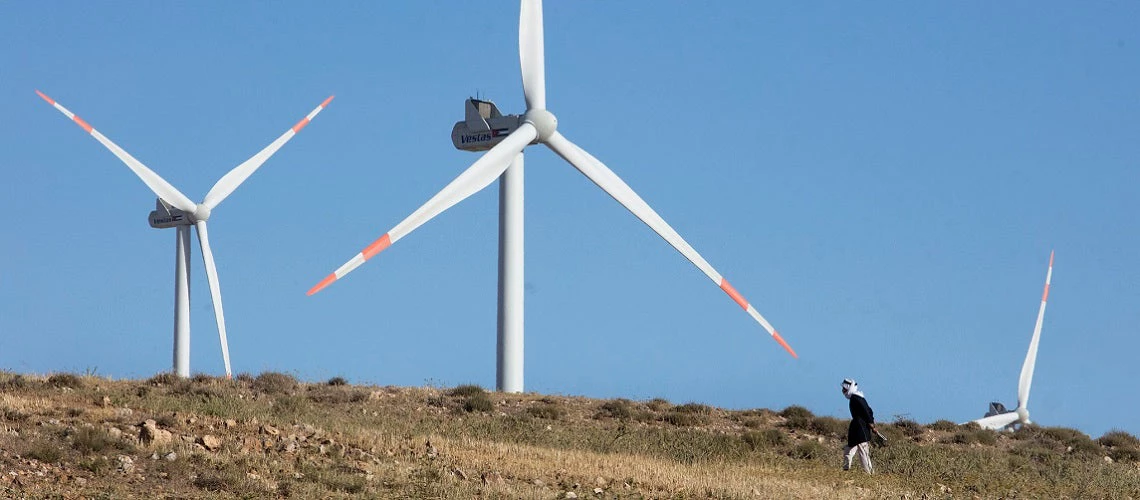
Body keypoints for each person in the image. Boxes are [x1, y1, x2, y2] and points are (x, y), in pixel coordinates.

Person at [841, 378, 876, 473]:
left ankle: (869, 474)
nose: (843, 391)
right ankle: (845, 467)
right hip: (856, 426)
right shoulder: (854, 397)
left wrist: (871, 423)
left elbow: (867, 411)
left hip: (861, 427)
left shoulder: (856, 398)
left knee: (863, 451)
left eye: (844, 388)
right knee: (850, 447)